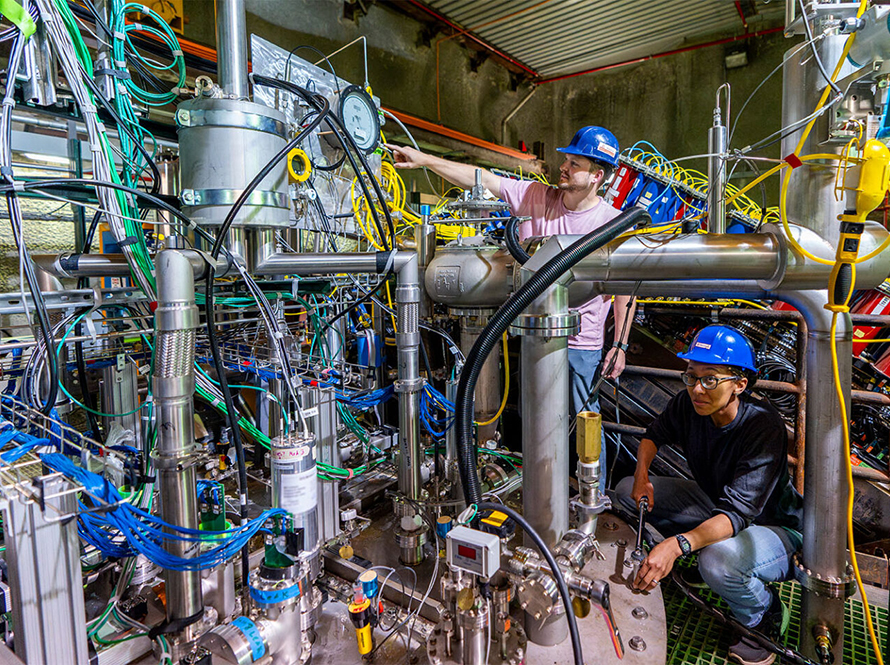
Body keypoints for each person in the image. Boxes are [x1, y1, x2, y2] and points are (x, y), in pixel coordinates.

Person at [388, 126, 635, 415]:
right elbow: (482, 179)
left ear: (597, 176)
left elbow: (624, 290)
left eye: (574, 164)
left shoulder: (614, 223)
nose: (563, 167)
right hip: (529, 334)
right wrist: (424, 160)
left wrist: (620, 343)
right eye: (566, 160)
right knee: (532, 420)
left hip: (579, 343)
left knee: (582, 423)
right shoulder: (535, 196)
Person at [614, 324, 803, 665]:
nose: (698, 389)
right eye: (691, 376)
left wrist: (677, 544)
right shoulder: (691, 404)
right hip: (718, 505)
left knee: (717, 559)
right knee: (626, 490)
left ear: (740, 385)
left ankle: (762, 615)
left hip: (775, 528)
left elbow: (738, 515)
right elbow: (653, 435)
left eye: (711, 378)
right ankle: (704, 565)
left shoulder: (763, 426)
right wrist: (643, 477)